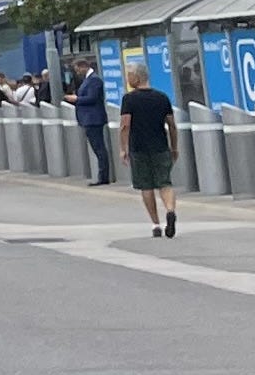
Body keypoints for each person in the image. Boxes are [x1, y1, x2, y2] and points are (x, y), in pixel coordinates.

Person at [122, 64, 180, 238]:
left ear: (136, 77)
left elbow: (125, 125)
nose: (127, 79)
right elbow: (172, 125)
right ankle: (170, 210)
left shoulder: (129, 99)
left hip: (138, 147)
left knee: (146, 186)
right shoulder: (162, 97)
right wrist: (174, 147)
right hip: (160, 146)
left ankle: (156, 224)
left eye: (129, 75)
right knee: (165, 183)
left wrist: (122, 148)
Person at [70, 56, 113, 187]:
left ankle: (103, 177)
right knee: (97, 148)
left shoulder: (94, 80)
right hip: (89, 119)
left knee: (99, 148)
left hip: (93, 119)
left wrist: (76, 99)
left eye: (78, 69)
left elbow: (92, 98)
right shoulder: (89, 80)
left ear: (84, 66)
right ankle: (102, 175)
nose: (77, 72)